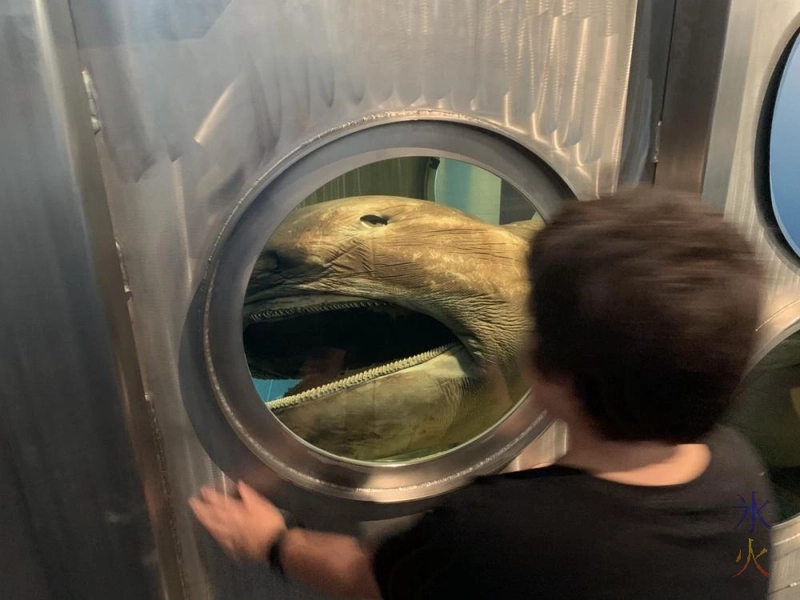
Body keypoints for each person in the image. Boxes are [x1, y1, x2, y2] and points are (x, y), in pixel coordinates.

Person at [190, 190, 774, 599]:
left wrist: (274, 542)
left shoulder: (493, 527)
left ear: (550, 373)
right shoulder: (743, 476)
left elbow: (370, 577)